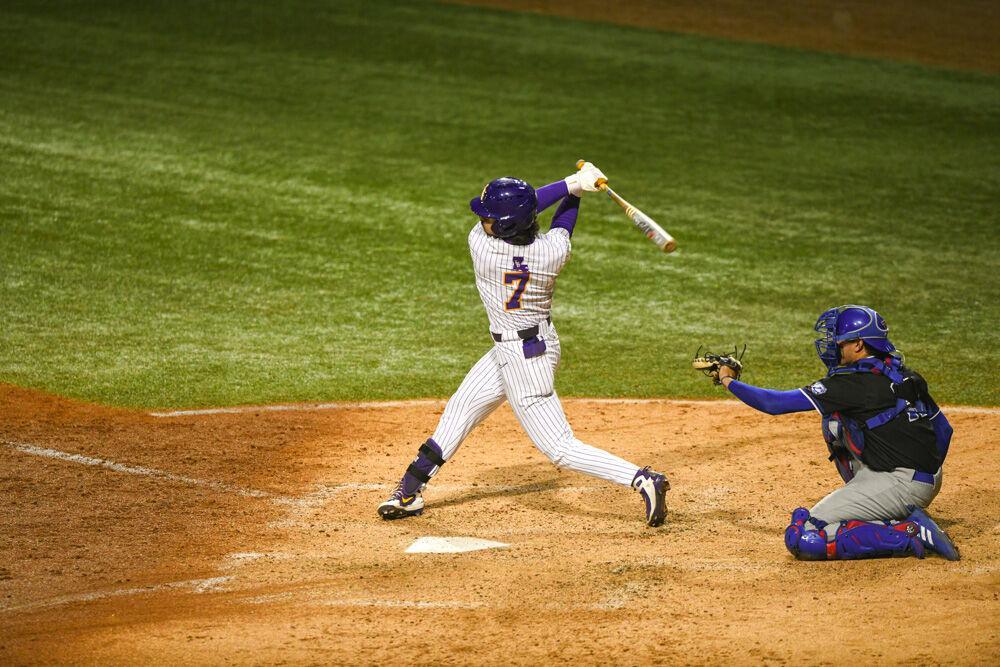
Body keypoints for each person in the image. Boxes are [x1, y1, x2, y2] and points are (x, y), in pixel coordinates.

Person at [377, 163, 669, 526]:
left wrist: (571, 183)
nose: (483, 220)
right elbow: (561, 222)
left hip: (526, 363)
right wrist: (576, 190)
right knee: (461, 408)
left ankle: (643, 479)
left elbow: (539, 202)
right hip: (528, 345)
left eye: (490, 217)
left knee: (559, 448)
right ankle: (408, 492)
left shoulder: (482, 248)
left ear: (503, 227)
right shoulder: (552, 254)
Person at [713, 305, 959, 560]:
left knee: (804, 537)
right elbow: (943, 430)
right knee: (836, 421)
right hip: (925, 477)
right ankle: (893, 505)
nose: (834, 347)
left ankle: (909, 531)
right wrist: (923, 473)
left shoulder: (850, 385)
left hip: (900, 483)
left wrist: (728, 380)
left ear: (859, 345)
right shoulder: (903, 373)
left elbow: (774, 404)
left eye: (840, 342)